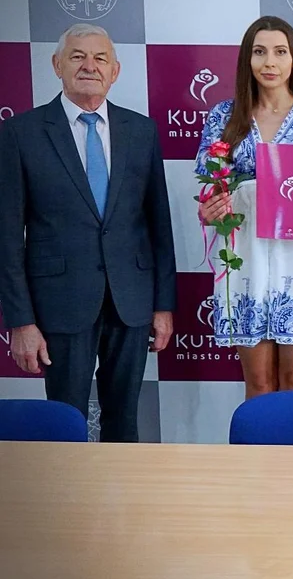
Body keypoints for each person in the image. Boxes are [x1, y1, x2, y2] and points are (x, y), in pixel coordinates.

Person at [0, 24, 176, 442]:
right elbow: (6, 238)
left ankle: (119, 488)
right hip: (60, 302)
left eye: (100, 58)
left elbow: (159, 225)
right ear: (57, 64)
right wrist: (21, 321)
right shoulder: (21, 133)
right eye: (77, 56)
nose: (89, 66)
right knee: (65, 423)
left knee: (124, 422)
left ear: (115, 71)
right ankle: (67, 489)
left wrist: (163, 306)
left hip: (131, 301)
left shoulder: (141, 131)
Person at [195, 16, 293, 400]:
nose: (270, 62)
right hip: (245, 261)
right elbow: (207, 192)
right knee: (260, 384)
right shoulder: (223, 116)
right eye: (260, 52)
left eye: (280, 52)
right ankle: (259, 445)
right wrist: (209, 210)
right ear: (247, 59)